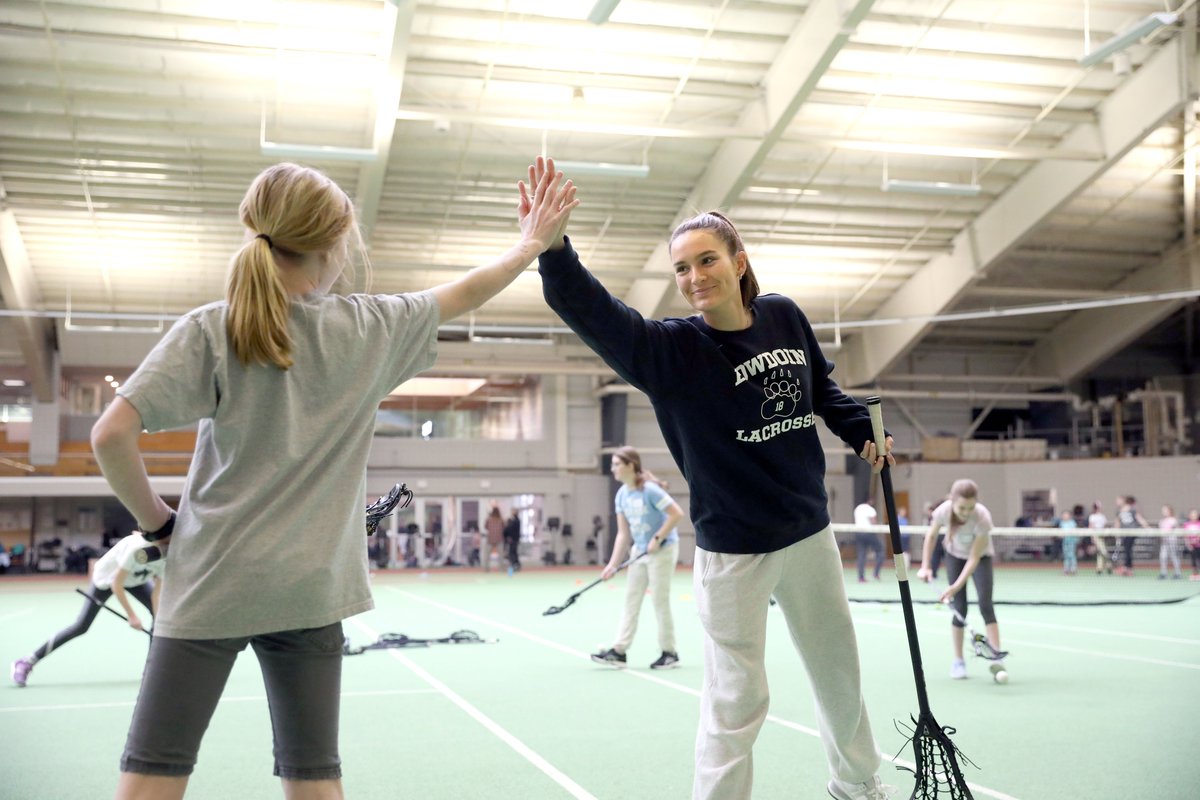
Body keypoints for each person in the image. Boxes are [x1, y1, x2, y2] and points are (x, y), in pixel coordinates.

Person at [89, 157, 578, 799]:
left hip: (210, 581)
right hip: (312, 588)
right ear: (334, 243)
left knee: (154, 771)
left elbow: (110, 435)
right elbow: (467, 290)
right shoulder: (370, 328)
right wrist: (530, 244)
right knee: (314, 777)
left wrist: (158, 524)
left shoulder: (212, 327)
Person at [535, 195, 896, 800]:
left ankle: (858, 784)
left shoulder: (784, 315)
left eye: (707, 260)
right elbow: (594, 312)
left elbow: (822, 390)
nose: (695, 277)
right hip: (734, 551)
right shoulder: (670, 352)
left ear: (738, 262)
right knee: (736, 697)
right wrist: (553, 250)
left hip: (809, 532)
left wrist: (861, 429)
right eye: (682, 268)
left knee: (839, 671)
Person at [10, 531, 168, 687]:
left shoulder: (169, 554)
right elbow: (116, 584)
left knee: (159, 617)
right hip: (106, 580)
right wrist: (132, 616)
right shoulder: (136, 547)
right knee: (81, 626)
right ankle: (26, 661)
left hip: (136, 581)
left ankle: (151, 670)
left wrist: (157, 618)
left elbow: (156, 593)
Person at [591, 445, 684, 670]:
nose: (612, 469)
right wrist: (612, 565)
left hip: (663, 550)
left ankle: (669, 652)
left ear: (631, 465)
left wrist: (658, 538)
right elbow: (623, 534)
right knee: (631, 600)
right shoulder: (622, 495)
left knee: (659, 600)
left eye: (616, 464)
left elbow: (676, 514)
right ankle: (619, 651)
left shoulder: (650, 491)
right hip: (639, 551)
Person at [917, 479, 1004, 682]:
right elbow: (931, 537)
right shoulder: (943, 511)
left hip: (981, 558)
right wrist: (925, 566)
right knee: (959, 608)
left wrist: (955, 586)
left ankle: (996, 658)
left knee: (986, 605)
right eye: (962, 508)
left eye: (970, 508)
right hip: (954, 556)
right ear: (953, 501)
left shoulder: (982, 516)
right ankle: (958, 661)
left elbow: (974, 558)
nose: (966, 512)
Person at [1114, 495, 1151, 576]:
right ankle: (1127, 568)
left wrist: (1147, 527)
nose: (1117, 502)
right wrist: (1116, 533)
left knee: (1127, 549)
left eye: (1118, 500)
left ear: (1123, 500)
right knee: (1127, 550)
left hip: (1132, 532)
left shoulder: (1132, 509)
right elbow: (1117, 522)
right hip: (1124, 534)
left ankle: (1127, 568)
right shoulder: (1119, 511)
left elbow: (1139, 518)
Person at [852, 499, 884, 583]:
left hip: (859, 533)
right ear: (870, 501)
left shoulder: (857, 508)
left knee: (861, 554)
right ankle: (876, 573)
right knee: (880, 550)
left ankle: (861, 577)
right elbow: (873, 521)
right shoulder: (871, 509)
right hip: (869, 532)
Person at [1087, 501, 1112, 575]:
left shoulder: (1102, 516)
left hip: (1102, 535)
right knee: (1103, 551)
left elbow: (1104, 525)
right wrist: (1092, 537)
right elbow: (1091, 526)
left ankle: (1100, 568)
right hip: (1096, 535)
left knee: (1100, 552)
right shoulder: (1092, 516)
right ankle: (1108, 565)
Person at [1158, 505, 1182, 580]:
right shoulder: (1161, 521)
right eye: (1163, 510)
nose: (1164, 512)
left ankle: (1177, 573)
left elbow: (1176, 530)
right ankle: (1163, 573)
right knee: (1163, 557)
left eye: (1166, 510)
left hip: (1172, 542)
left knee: (1174, 557)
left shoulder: (1173, 520)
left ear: (1170, 511)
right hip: (1164, 543)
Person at [482, 505, 504, 572]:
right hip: (499, 539)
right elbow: (504, 527)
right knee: (501, 555)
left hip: (490, 539)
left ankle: (486, 569)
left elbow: (485, 527)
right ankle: (501, 569)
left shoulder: (489, 519)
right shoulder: (501, 520)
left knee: (487, 555)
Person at [1057, 510, 1078, 576]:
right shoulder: (1062, 523)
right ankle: (1066, 569)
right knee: (1066, 555)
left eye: (1066, 515)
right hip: (1065, 541)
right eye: (1063, 515)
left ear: (1069, 516)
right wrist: (1060, 535)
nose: (1064, 516)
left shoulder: (1072, 523)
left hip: (1071, 541)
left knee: (1071, 554)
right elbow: (1061, 532)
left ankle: (1073, 568)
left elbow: (1074, 531)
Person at [1183, 509, 1200, 580]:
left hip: (1199, 545)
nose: (1193, 516)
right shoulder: (1186, 524)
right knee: (1193, 560)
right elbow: (1185, 535)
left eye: (1195, 514)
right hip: (1191, 546)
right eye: (1192, 514)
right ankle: (1194, 574)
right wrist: (1188, 544)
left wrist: (1197, 540)